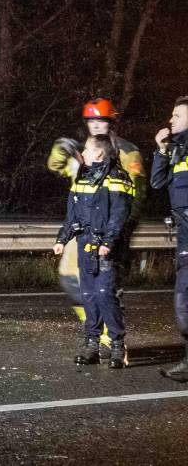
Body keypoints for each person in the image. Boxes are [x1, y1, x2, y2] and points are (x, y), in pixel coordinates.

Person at [46, 98, 146, 351]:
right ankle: (94, 333)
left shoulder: (125, 151)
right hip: (82, 228)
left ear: (111, 123)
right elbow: (55, 166)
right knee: (75, 281)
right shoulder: (81, 151)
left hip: (111, 229)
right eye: (92, 121)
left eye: (101, 120)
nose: (96, 126)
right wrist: (61, 148)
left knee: (107, 288)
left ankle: (113, 341)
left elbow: (135, 194)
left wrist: (121, 232)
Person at [53, 134, 133, 368]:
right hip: (85, 246)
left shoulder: (118, 179)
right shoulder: (82, 178)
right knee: (88, 296)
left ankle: (118, 346)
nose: (83, 153)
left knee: (105, 295)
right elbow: (72, 215)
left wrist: (108, 242)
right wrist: (62, 239)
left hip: (106, 249)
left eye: (87, 149)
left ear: (99, 153)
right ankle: (92, 345)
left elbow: (118, 216)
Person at [153, 96, 188, 381]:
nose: (170, 120)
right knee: (183, 300)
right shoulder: (177, 150)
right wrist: (161, 150)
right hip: (184, 236)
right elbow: (157, 182)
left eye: (176, 115)